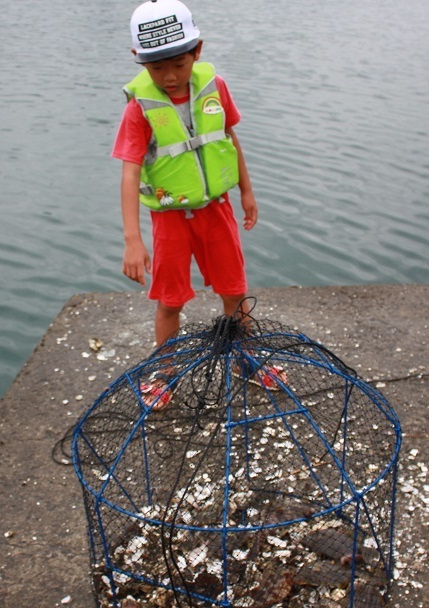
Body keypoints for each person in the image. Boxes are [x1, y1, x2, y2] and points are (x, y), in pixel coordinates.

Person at [113, 0, 283, 409]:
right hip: (170, 219)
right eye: (156, 68)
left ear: (197, 51)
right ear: (139, 61)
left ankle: (247, 358)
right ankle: (166, 373)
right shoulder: (139, 109)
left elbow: (228, 140)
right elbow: (130, 172)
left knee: (234, 291)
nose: (169, 76)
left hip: (217, 210)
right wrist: (133, 240)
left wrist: (247, 190)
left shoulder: (215, 87)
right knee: (170, 299)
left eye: (179, 63)